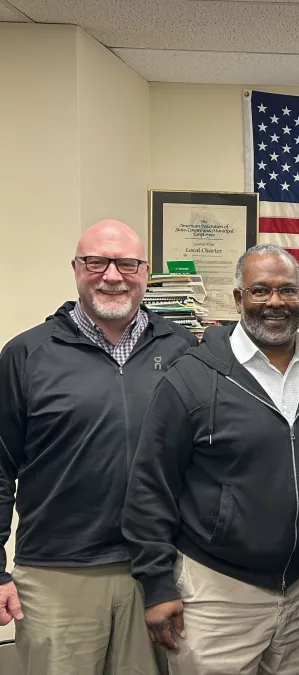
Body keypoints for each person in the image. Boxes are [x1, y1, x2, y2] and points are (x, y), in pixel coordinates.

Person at [122, 244, 299, 675]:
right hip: (217, 591)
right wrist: (156, 583)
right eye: (260, 291)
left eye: (288, 291)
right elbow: (150, 484)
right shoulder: (192, 376)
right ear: (239, 300)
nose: (275, 303)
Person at [0, 219, 197, 675]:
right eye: (97, 262)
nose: (112, 275)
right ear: (75, 268)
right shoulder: (28, 354)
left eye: (127, 263)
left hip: (157, 574)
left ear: (145, 271)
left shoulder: (184, 349)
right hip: (57, 575)